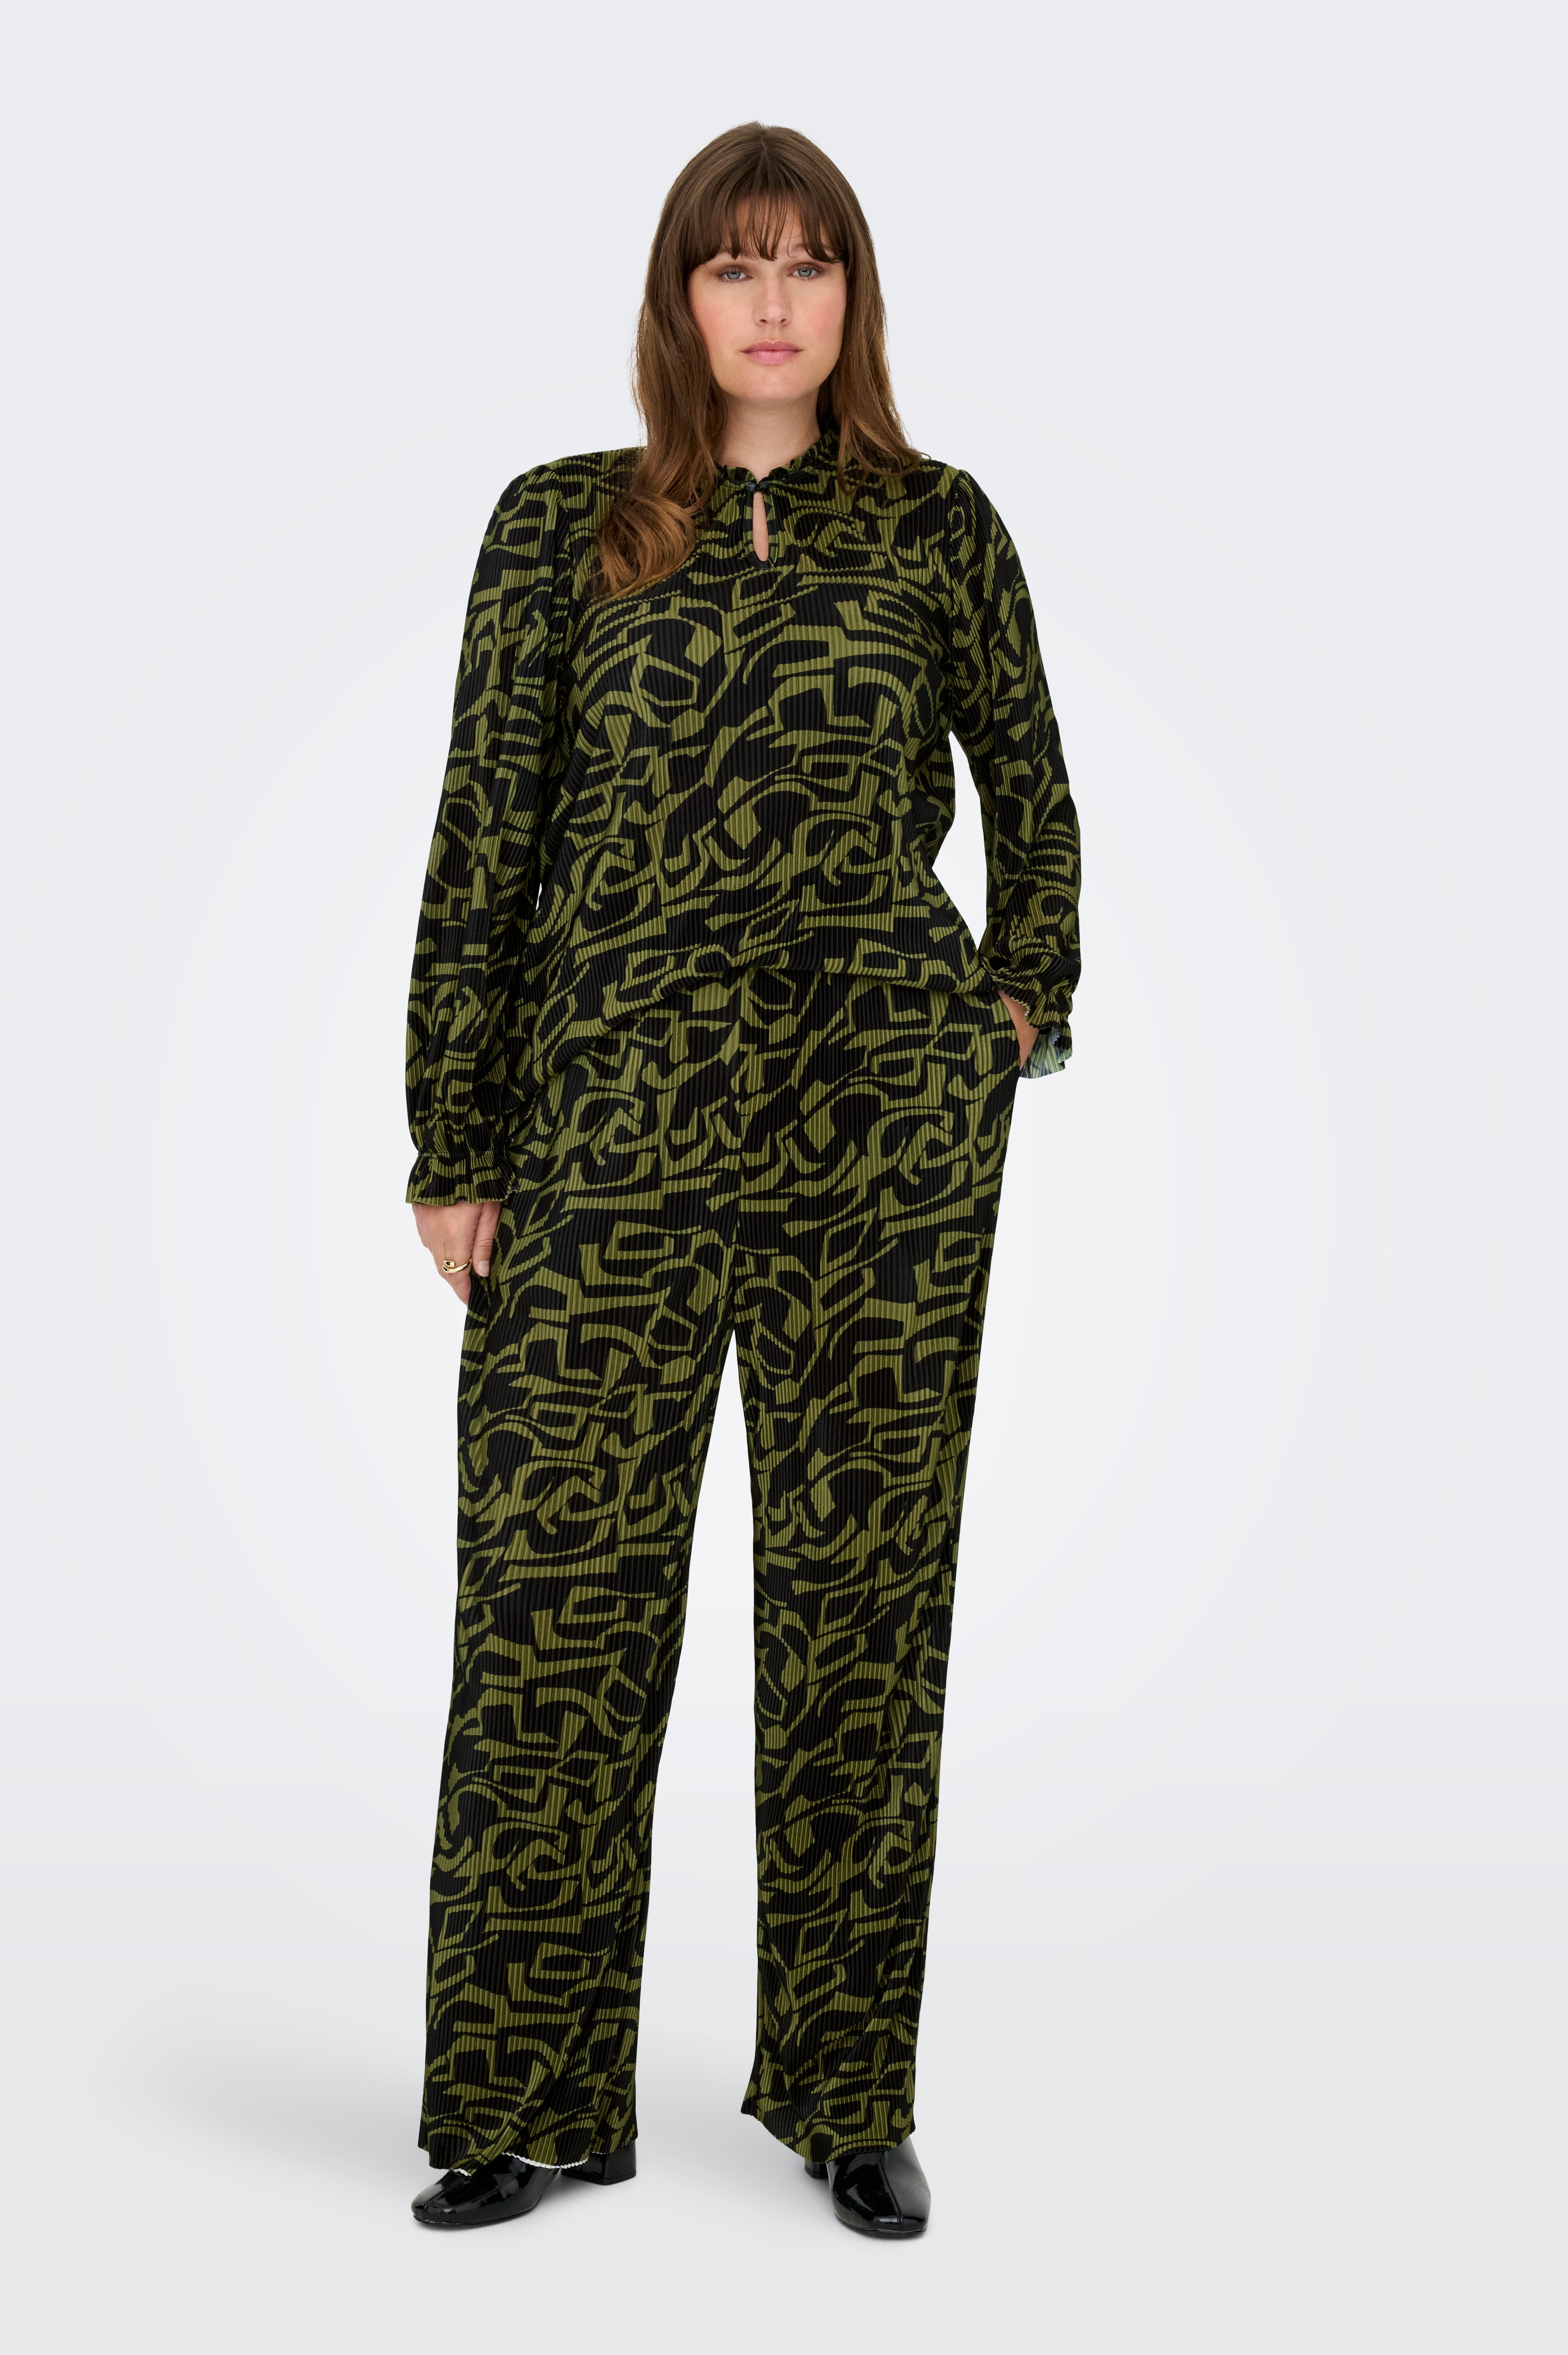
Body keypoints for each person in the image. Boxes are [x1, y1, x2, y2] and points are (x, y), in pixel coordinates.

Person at [402, 120, 1081, 2240]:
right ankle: (521, 2093)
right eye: (731, 265)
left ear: (851, 297)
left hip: (876, 1152)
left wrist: (1006, 1016)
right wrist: (453, 1136)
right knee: (552, 1616)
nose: (770, 303)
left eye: (806, 265)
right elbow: (484, 833)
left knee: (862, 1616)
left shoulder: (937, 528)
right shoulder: (560, 525)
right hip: (601, 1150)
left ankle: (844, 2090)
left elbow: (1036, 801)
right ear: (677, 297)